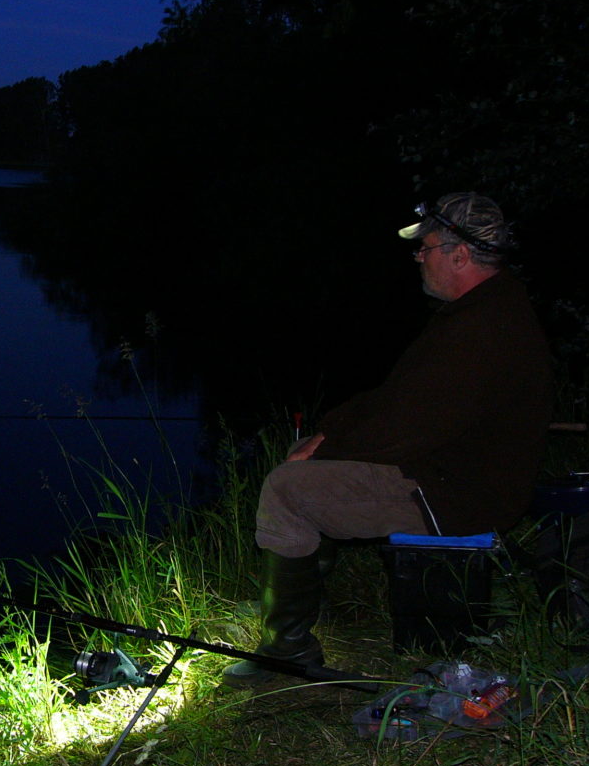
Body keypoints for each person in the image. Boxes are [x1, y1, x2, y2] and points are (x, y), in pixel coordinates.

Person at [223, 192, 554, 686]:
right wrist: (328, 432)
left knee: (286, 489)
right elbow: (398, 398)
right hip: (443, 471)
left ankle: (288, 654)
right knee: (308, 474)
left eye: (427, 247)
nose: (418, 257)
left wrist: (325, 449)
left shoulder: (483, 328)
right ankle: (300, 603)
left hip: (455, 493)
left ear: (460, 255)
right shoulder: (486, 308)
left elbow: (407, 427)